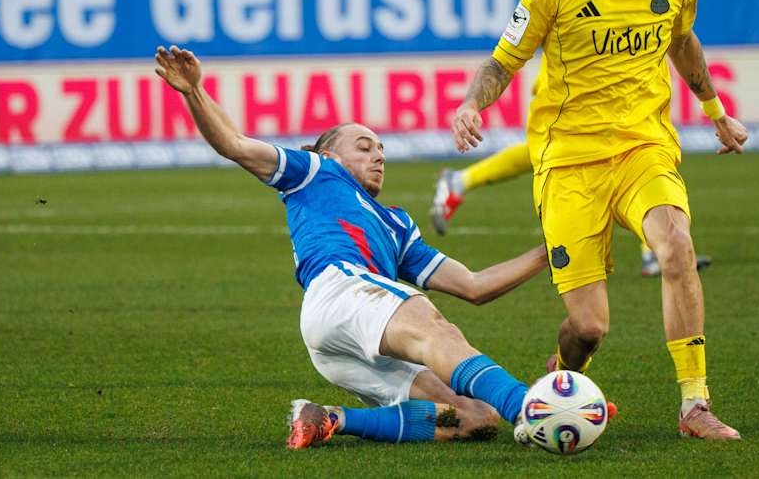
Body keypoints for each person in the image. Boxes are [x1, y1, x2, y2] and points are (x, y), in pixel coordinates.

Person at [153, 45, 597, 449]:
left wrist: (551, 249)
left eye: (382, 149)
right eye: (364, 147)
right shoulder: (314, 172)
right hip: (344, 292)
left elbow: (475, 286)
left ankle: (329, 418)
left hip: (338, 339)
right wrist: (195, 91)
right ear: (329, 154)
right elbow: (233, 144)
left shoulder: (396, 224)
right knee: (435, 328)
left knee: (474, 417)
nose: (379, 155)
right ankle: (531, 404)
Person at [449, 0, 747, 441]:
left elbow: (681, 42)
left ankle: (695, 405)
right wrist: (471, 104)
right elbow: (503, 59)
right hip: (569, 161)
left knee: (677, 244)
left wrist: (715, 111)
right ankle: (565, 377)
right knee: (588, 328)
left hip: (643, 148)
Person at [429, 0, 697, 277]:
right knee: (565, 145)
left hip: (608, 37)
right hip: (574, 44)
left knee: (614, 137)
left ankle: (656, 240)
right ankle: (463, 180)